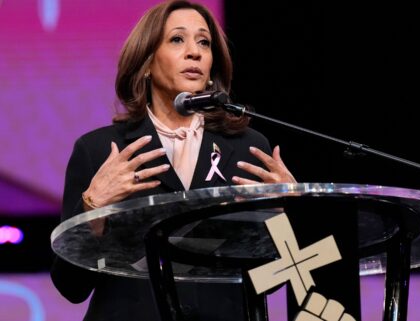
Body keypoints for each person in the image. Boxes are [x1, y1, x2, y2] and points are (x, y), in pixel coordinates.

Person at [50, 1, 296, 320]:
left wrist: (286, 216)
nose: (194, 52)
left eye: (204, 42)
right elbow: (70, 287)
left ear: (212, 69)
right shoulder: (99, 150)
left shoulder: (249, 150)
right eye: (177, 39)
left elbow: (269, 280)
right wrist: (93, 207)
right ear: (148, 62)